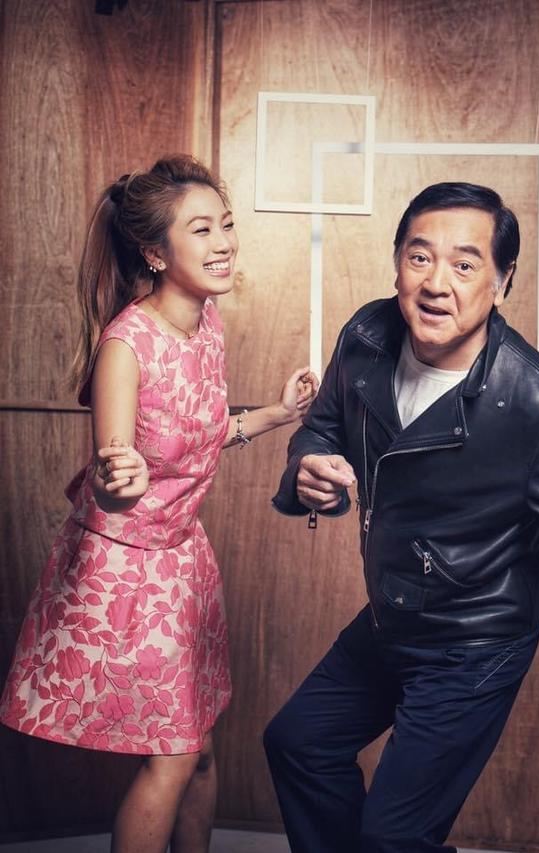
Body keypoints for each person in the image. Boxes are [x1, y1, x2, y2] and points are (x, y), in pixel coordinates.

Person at [264, 182, 539, 853]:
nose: (437, 282)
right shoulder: (366, 335)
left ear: (502, 280)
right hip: (393, 614)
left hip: (475, 638)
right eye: (420, 257)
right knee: (299, 743)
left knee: (393, 834)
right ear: (397, 264)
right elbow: (322, 427)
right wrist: (308, 467)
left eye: (465, 264)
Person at [0, 154, 318, 853]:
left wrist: (278, 413)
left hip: (182, 563)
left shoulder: (208, 324)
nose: (224, 242)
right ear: (154, 251)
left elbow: (194, 437)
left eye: (226, 224)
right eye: (201, 230)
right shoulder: (126, 346)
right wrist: (119, 479)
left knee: (196, 748)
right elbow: (114, 474)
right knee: (172, 755)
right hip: (125, 571)